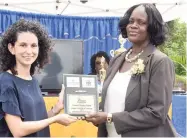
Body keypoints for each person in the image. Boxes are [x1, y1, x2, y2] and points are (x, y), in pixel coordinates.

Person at [85, 3, 178, 137]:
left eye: (141, 22)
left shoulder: (160, 61)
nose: (133, 25)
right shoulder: (117, 59)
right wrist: (93, 112)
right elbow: (112, 100)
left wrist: (109, 117)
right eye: (131, 21)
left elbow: (157, 113)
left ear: (152, 28)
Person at [0, 19, 77, 137]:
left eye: (33, 46)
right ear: (11, 48)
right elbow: (18, 130)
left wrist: (56, 109)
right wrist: (55, 119)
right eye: (23, 45)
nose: (29, 51)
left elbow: (36, 120)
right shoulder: (6, 82)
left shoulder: (33, 81)